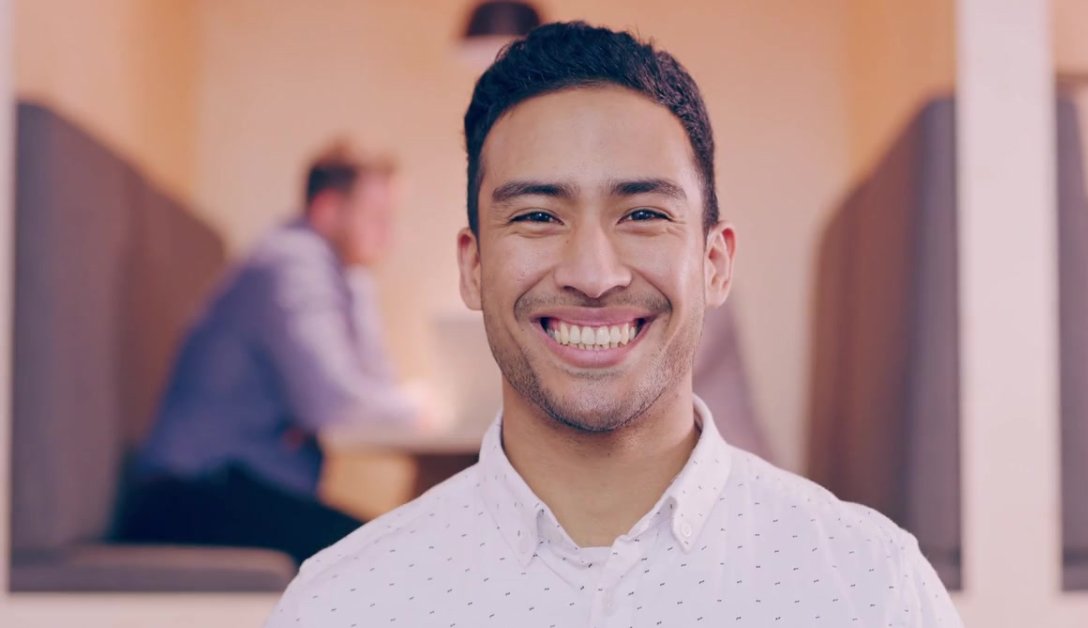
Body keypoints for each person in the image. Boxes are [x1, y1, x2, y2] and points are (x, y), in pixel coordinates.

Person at [266, 22, 960, 626]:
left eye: (643, 214)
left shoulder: (871, 590)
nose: (593, 275)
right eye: (538, 216)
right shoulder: (342, 606)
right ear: (473, 268)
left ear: (715, 263)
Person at [121, 142, 425, 564]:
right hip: (189, 498)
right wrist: (414, 407)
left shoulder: (338, 275)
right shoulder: (291, 262)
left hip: (233, 492)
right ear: (327, 209)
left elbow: (371, 385)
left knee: (397, 551)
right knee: (393, 558)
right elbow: (333, 404)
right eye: (377, 218)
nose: (389, 235)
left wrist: (360, 280)